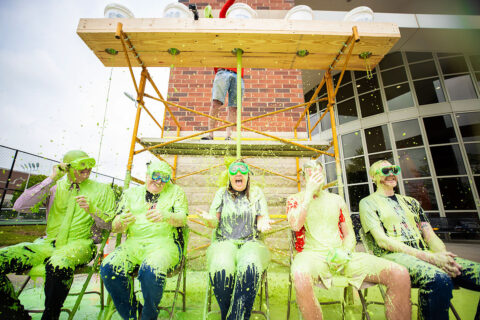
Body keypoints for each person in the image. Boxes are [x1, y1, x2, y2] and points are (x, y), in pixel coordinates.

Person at [287, 159, 411, 320]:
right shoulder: (294, 199)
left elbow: (349, 235)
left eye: (318, 173)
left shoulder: (336, 200)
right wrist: (308, 195)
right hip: (311, 256)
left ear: (323, 175)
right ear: (303, 179)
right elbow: (296, 225)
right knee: (299, 275)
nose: (315, 178)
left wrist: (344, 252)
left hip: (343, 254)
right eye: (310, 175)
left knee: (399, 273)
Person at [1, 150, 116, 320]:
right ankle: (16, 315)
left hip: (81, 245)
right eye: (81, 165)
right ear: (67, 167)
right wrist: (52, 178)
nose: (87, 169)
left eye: (90, 165)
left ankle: (50, 316)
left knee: (58, 264)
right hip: (46, 244)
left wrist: (93, 210)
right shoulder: (54, 187)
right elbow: (20, 206)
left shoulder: (103, 190)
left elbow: (110, 225)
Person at [359, 160, 480, 320]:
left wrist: (443, 256)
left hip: (425, 253)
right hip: (392, 256)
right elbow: (382, 241)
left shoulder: (411, 202)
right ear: (374, 177)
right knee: (438, 278)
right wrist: (430, 258)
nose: (391, 174)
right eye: (385, 170)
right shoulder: (368, 203)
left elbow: (430, 235)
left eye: (394, 169)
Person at [100, 160, 188, 320]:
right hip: (134, 244)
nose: (159, 181)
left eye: (165, 177)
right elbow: (115, 225)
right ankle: (132, 313)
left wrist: (166, 216)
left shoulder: (176, 192)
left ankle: (149, 314)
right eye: (155, 175)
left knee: (150, 271)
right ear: (146, 175)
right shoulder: (130, 194)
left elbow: (183, 219)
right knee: (108, 268)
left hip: (164, 245)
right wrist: (121, 222)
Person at [198, 159, 271, 320]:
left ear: (248, 175)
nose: (238, 173)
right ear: (229, 176)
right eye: (234, 170)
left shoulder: (256, 193)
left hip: (251, 243)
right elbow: (214, 221)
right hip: (224, 242)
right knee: (221, 267)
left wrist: (263, 223)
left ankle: (236, 317)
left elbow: (261, 218)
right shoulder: (221, 194)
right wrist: (208, 220)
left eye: (242, 169)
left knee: (250, 267)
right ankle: (227, 314)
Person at [201, 0, 244, 141]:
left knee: (234, 107)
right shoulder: (225, 30)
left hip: (238, 74)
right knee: (216, 103)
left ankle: (229, 136)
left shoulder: (243, 35)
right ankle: (210, 135)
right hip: (223, 72)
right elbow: (222, 12)